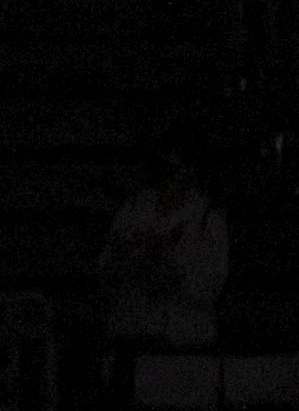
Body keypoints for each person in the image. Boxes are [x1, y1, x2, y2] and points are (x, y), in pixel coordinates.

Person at [97, 149, 230, 352]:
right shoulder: (133, 209)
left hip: (184, 339)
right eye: (163, 167)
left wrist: (174, 277)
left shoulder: (207, 219)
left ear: (190, 169)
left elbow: (211, 286)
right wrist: (127, 269)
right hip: (131, 334)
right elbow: (106, 269)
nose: (167, 176)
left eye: (175, 168)